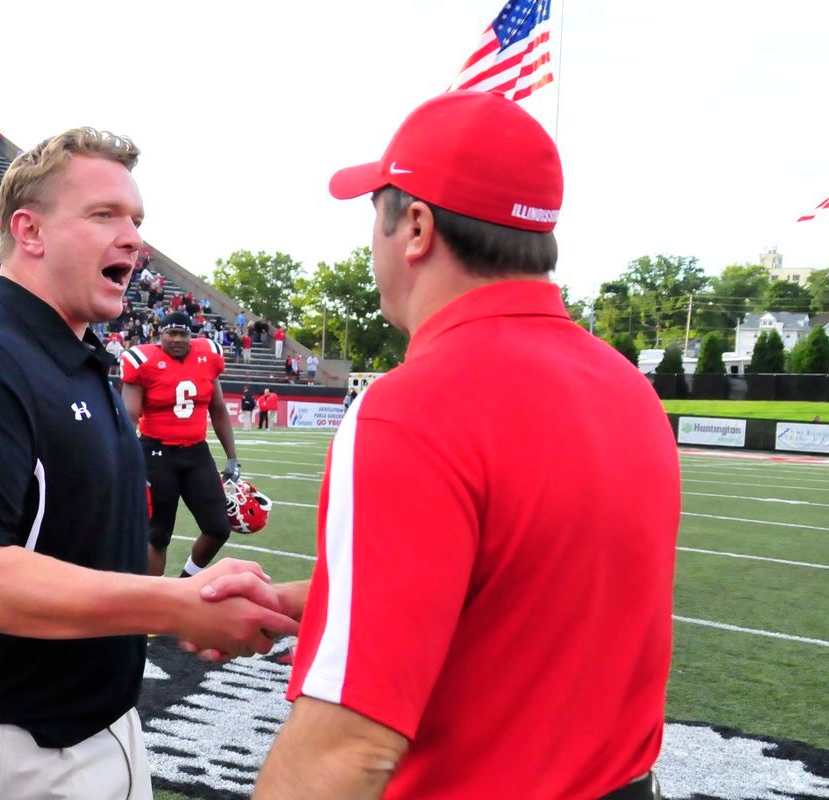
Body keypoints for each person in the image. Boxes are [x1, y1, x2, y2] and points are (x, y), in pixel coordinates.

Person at [196, 92, 680, 800]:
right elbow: (515, 598)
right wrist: (296, 601)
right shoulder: (629, 390)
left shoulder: (410, 408)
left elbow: (346, 748)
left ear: (415, 227)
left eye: (376, 213)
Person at [0, 127, 298, 800]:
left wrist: (224, 599)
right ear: (30, 231)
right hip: (2, 743)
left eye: (137, 219)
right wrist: (176, 605)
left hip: (102, 722)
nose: (135, 238)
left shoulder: (83, 359)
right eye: (105, 214)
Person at [120, 311, 239, 578]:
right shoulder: (143, 360)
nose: (176, 339)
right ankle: (155, 600)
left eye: (183, 334)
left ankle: (185, 582)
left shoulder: (208, 355)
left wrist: (232, 457)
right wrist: (125, 460)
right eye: (170, 333)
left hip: (196, 453)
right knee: (158, 534)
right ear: (158, 335)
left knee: (218, 527)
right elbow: (129, 416)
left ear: (192, 335)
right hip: (156, 454)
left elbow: (218, 409)